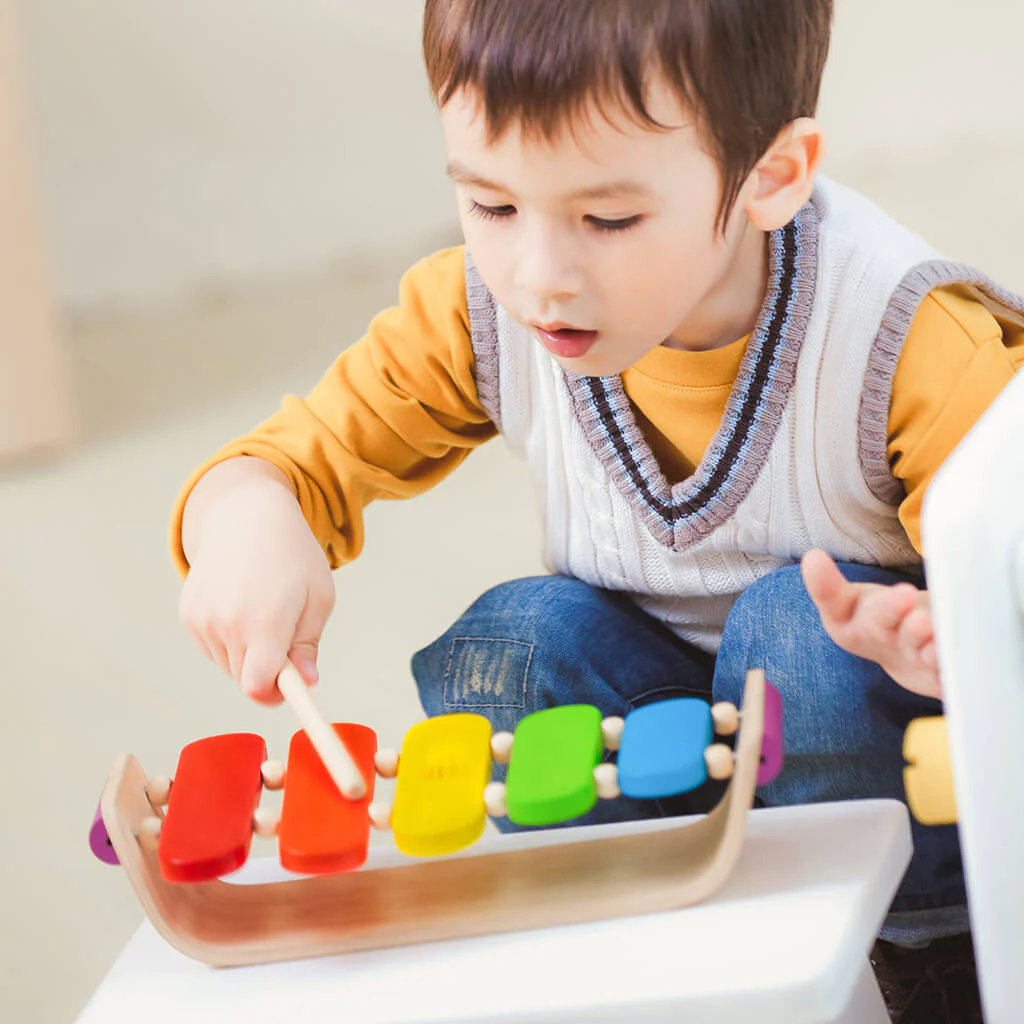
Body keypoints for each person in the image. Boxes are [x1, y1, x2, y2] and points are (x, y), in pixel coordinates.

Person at [170, 2, 1021, 1018]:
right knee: (515, 641)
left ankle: (926, 956)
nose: (538, 275)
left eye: (606, 219)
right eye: (490, 206)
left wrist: (963, 641)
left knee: (797, 634)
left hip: (872, 766)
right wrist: (247, 514)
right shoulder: (480, 312)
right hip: (659, 735)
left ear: (771, 175)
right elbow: (290, 458)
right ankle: (647, 932)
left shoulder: (908, 338)